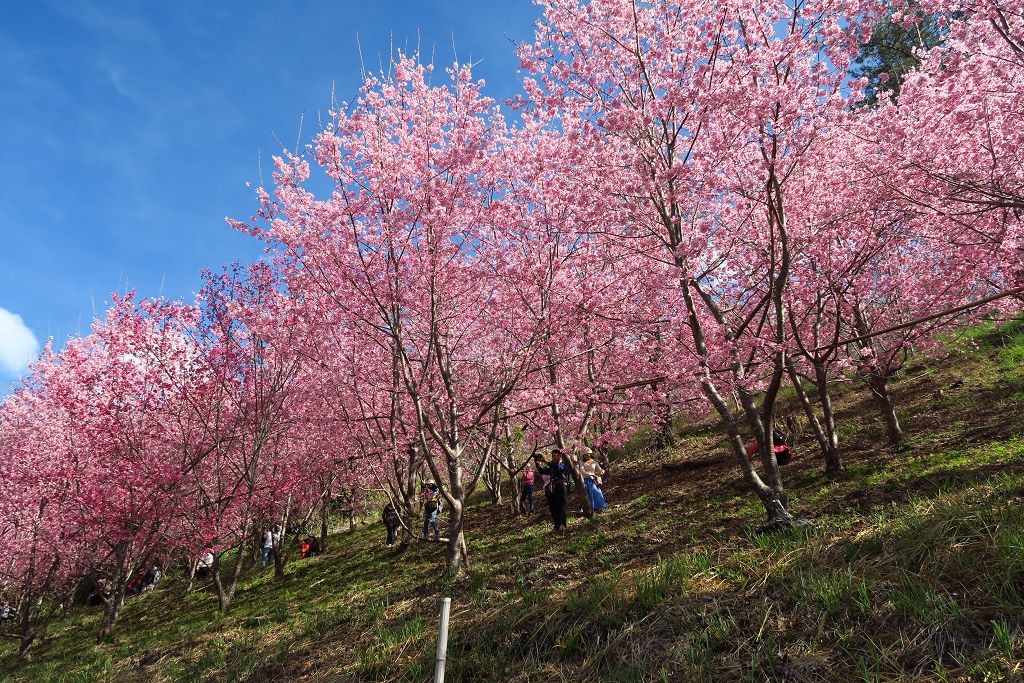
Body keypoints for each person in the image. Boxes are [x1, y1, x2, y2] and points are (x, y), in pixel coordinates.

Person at [536, 449, 571, 532]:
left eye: (554, 455)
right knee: (553, 507)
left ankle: (563, 525)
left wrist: (545, 461)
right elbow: (543, 471)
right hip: (553, 487)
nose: (553, 457)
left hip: (561, 486)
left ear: (560, 455)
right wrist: (537, 463)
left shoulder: (564, 464)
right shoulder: (552, 465)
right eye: (552, 456)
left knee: (561, 506)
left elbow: (559, 468)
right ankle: (556, 525)